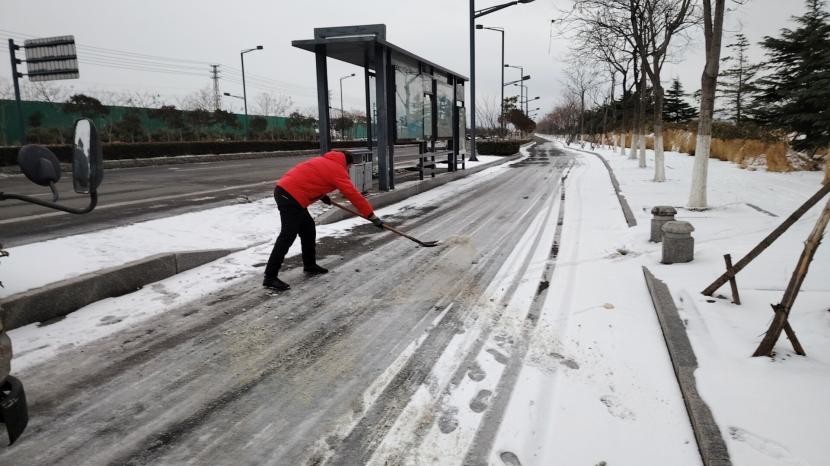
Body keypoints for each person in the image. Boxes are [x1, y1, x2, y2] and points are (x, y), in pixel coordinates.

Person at [262, 150, 384, 291]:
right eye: (349, 167)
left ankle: (309, 265)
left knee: (308, 230)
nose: (348, 170)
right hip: (291, 197)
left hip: (288, 192)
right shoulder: (338, 170)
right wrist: (371, 216)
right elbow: (354, 195)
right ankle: (270, 277)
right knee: (287, 235)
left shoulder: (324, 161)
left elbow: (312, 178)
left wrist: (322, 195)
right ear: (347, 163)